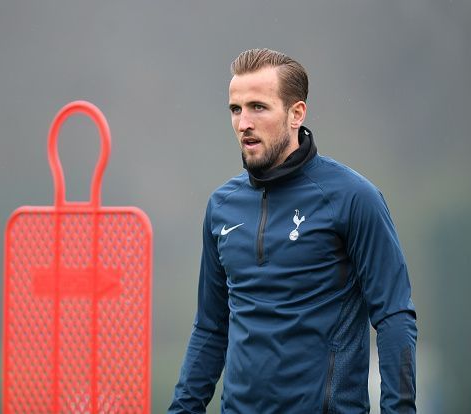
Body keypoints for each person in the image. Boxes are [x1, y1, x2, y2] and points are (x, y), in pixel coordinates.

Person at [168, 48, 417, 413]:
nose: (243, 124)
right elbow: (210, 329)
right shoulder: (221, 207)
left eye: (258, 107)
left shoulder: (353, 198)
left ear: (296, 113)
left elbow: (395, 317)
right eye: (236, 109)